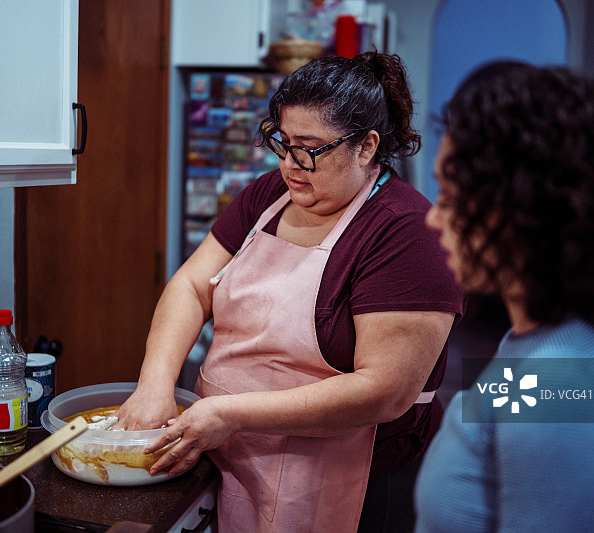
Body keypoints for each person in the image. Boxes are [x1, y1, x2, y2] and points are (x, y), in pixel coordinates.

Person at [114, 51, 465, 532]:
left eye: (310, 148)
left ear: (366, 147)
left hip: (352, 481)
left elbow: (383, 391)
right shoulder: (267, 196)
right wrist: (154, 384)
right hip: (231, 454)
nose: (290, 164)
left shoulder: (406, 234)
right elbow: (193, 286)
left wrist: (231, 413)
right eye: (281, 141)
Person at [414, 61, 594, 532]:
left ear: (523, 212)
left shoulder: (564, 393)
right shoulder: (551, 339)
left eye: (452, 197)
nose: (434, 218)